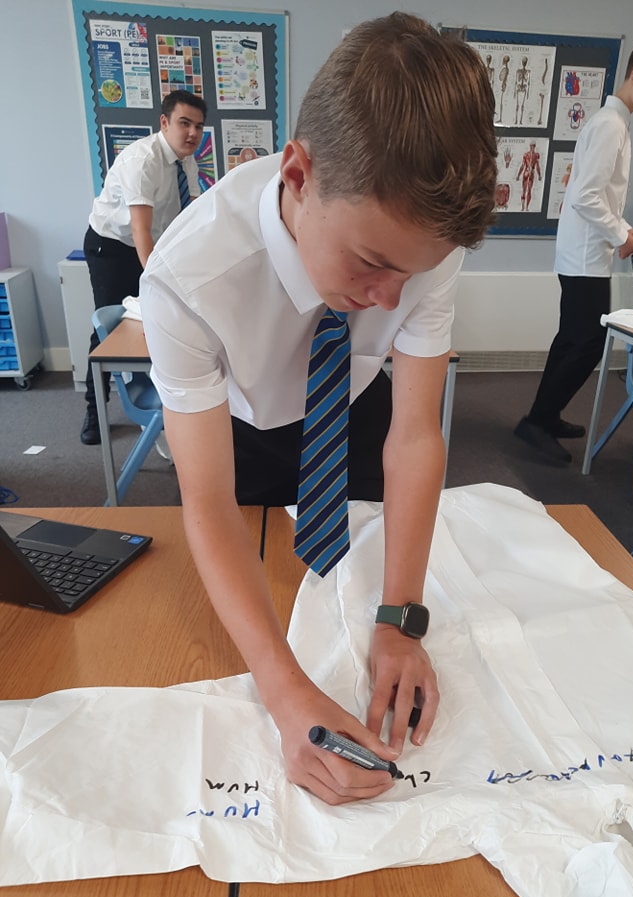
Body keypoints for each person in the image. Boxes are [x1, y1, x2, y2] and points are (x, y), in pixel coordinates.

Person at [140, 13, 497, 805]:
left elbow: (413, 435)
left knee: (359, 591)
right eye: (373, 264)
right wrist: (286, 693)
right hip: (245, 434)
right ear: (297, 175)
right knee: (261, 617)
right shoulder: (186, 279)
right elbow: (206, 501)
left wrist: (400, 621)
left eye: (416, 273)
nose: (392, 299)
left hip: (355, 410)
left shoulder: (415, 241)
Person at [514, 36, 633, 463]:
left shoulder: (614, 122)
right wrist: (619, 235)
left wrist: (624, 232)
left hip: (585, 251)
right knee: (588, 343)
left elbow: (599, 198)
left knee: (571, 339)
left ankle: (543, 415)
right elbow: (586, 197)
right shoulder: (610, 125)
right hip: (585, 256)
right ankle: (537, 421)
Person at [80, 90, 207, 444]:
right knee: (109, 324)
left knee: (161, 316)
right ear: (164, 123)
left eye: (198, 126)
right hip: (112, 246)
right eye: (184, 123)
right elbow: (140, 232)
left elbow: (191, 219)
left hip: (151, 243)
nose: (192, 133)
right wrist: (164, 285)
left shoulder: (187, 162)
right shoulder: (143, 160)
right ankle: (94, 411)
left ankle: (160, 396)